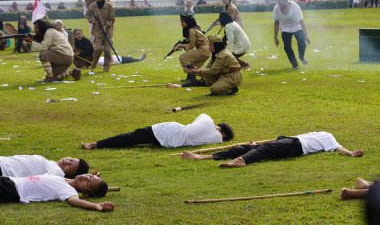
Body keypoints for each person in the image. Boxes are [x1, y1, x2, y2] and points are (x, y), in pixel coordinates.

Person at [182, 131, 364, 168]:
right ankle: (202, 157)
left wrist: (351, 153)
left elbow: (338, 148)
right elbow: (280, 140)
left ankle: (241, 161)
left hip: (297, 146)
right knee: (245, 146)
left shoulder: (328, 137)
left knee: (265, 150)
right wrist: (255, 143)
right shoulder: (313, 133)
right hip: (290, 141)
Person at [81, 114, 234, 150]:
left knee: (132, 137)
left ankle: (95, 144)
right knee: (134, 139)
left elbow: (203, 117)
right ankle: (97, 144)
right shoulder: (216, 140)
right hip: (170, 141)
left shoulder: (208, 122)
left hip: (167, 131)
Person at [0, 174, 113, 212]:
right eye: (90, 176)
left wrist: (95, 206)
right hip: (10, 180)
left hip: (13, 190)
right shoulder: (64, 178)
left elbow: (74, 201)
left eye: (88, 183)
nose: (86, 178)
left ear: (86, 193)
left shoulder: (68, 190)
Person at [273, 0, 310, 69]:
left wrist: (306, 35)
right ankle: (295, 65)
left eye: (282, 1)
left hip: (296, 26)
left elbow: (301, 21)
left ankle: (301, 57)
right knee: (287, 47)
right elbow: (276, 23)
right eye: (278, 1)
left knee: (302, 43)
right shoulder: (276, 9)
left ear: (286, 0)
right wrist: (275, 37)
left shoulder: (295, 6)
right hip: (285, 29)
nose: (280, 3)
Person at [173, 13, 210, 86]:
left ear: (188, 22)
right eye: (181, 21)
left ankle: (192, 79)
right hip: (206, 50)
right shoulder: (194, 28)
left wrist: (180, 45)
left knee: (183, 57)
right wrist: (181, 45)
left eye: (183, 21)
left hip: (203, 50)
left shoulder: (192, 30)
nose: (181, 23)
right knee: (193, 65)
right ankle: (201, 78)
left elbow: (191, 46)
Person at [85, 0, 115, 74]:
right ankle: (93, 65)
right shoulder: (92, 6)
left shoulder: (109, 6)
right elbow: (87, 15)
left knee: (107, 50)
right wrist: (92, 20)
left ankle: (106, 68)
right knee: (97, 49)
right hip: (97, 31)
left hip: (108, 31)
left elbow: (112, 19)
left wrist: (107, 25)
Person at [0, 155, 89, 179]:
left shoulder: (57, 173)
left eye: (70, 167)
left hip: (3, 170)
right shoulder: (53, 164)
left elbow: (40, 180)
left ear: (69, 175)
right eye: (71, 160)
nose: (67, 162)